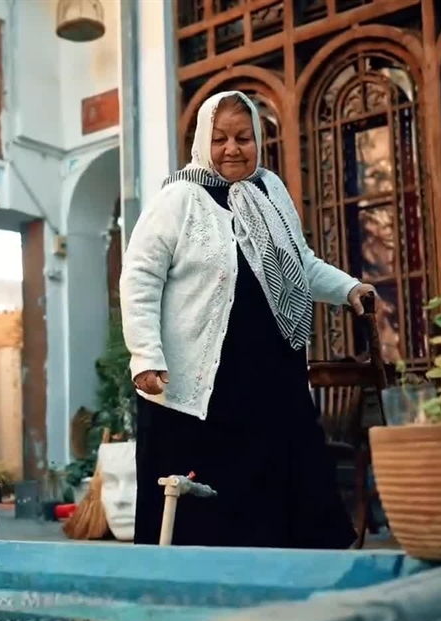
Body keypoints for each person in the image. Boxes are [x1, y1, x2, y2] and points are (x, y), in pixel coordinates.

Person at [119, 90, 376, 549]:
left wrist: (348, 288)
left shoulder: (270, 190)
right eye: (219, 139)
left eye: (243, 137)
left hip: (272, 375)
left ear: (258, 139)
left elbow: (300, 261)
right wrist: (145, 356)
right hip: (202, 388)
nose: (232, 149)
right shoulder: (179, 198)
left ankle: (293, 579)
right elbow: (140, 277)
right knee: (209, 509)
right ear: (203, 141)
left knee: (287, 490)